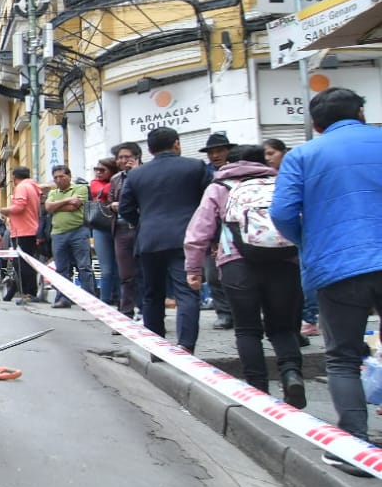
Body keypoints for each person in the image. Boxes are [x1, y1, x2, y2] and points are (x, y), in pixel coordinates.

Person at [270, 87, 382, 476]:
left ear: (316, 125)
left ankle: (354, 445)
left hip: (338, 266)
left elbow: (283, 213)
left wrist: (309, 238)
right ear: (362, 113)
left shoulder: (303, 155)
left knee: (343, 357)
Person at [184, 145, 305, 408]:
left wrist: (194, 270)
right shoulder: (281, 181)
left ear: (229, 163)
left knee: (247, 329)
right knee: (283, 327)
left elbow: (198, 233)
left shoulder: (220, 187)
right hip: (284, 261)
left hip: (237, 265)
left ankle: (257, 391)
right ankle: (291, 373)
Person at [118, 126, 210, 354]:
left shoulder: (137, 174)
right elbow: (209, 204)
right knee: (187, 293)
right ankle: (186, 347)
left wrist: (144, 222)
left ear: (149, 150)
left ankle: (156, 348)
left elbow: (125, 208)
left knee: (151, 295)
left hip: (149, 240)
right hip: (186, 239)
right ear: (177, 143)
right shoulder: (196, 167)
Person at [265, 137, 320, 339]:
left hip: (301, 232)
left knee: (307, 275)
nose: (268, 158)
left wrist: (297, 236)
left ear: (283, 152)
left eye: (272, 153)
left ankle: (310, 317)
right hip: (292, 235)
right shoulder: (269, 176)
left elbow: (282, 211)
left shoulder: (293, 169)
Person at [198, 133, 236, 330]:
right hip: (212, 232)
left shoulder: (240, 171)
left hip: (238, 231)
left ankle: (241, 313)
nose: (215, 155)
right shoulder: (204, 174)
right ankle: (224, 314)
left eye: (219, 151)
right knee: (213, 276)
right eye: (211, 152)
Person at [43, 165, 96, 305]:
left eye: (62, 176)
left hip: (78, 231)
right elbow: (48, 208)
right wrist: (66, 201)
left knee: (84, 266)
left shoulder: (80, 188)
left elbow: (75, 206)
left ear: (69, 176)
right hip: (58, 234)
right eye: (55, 178)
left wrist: (56, 206)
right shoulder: (53, 192)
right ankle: (63, 298)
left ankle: (89, 300)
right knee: (61, 268)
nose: (59, 180)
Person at [110, 142, 145, 318]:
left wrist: (136, 173)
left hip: (142, 227)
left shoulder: (146, 173)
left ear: (137, 157)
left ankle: (146, 312)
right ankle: (126, 312)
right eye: (120, 157)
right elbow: (109, 202)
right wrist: (114, 206)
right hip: (122, 228)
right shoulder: (115, 179)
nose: (123, 160)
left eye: (127, 156)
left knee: (144, 272)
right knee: (126, 274)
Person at [3, 166, 43, 302]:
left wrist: (5, 210)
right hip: (31, 229)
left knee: (22, 265)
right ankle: (30, 292)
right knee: (28, 263)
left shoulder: (21, 187)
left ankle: (28, 293)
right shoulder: (33, 187)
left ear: (14, 178)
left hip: (22, 231)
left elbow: (19, 206)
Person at [88, 157, 120, 305]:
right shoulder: (95, 183)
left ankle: (120, 299)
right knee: (106, 268)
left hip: (119, 226)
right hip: (101, 227)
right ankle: (105, 300)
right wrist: (118, 181)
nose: (98, 173)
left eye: (102, 170)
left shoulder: (119, 180)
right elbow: (100, 190)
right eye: (96, 170)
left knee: (119, 268)